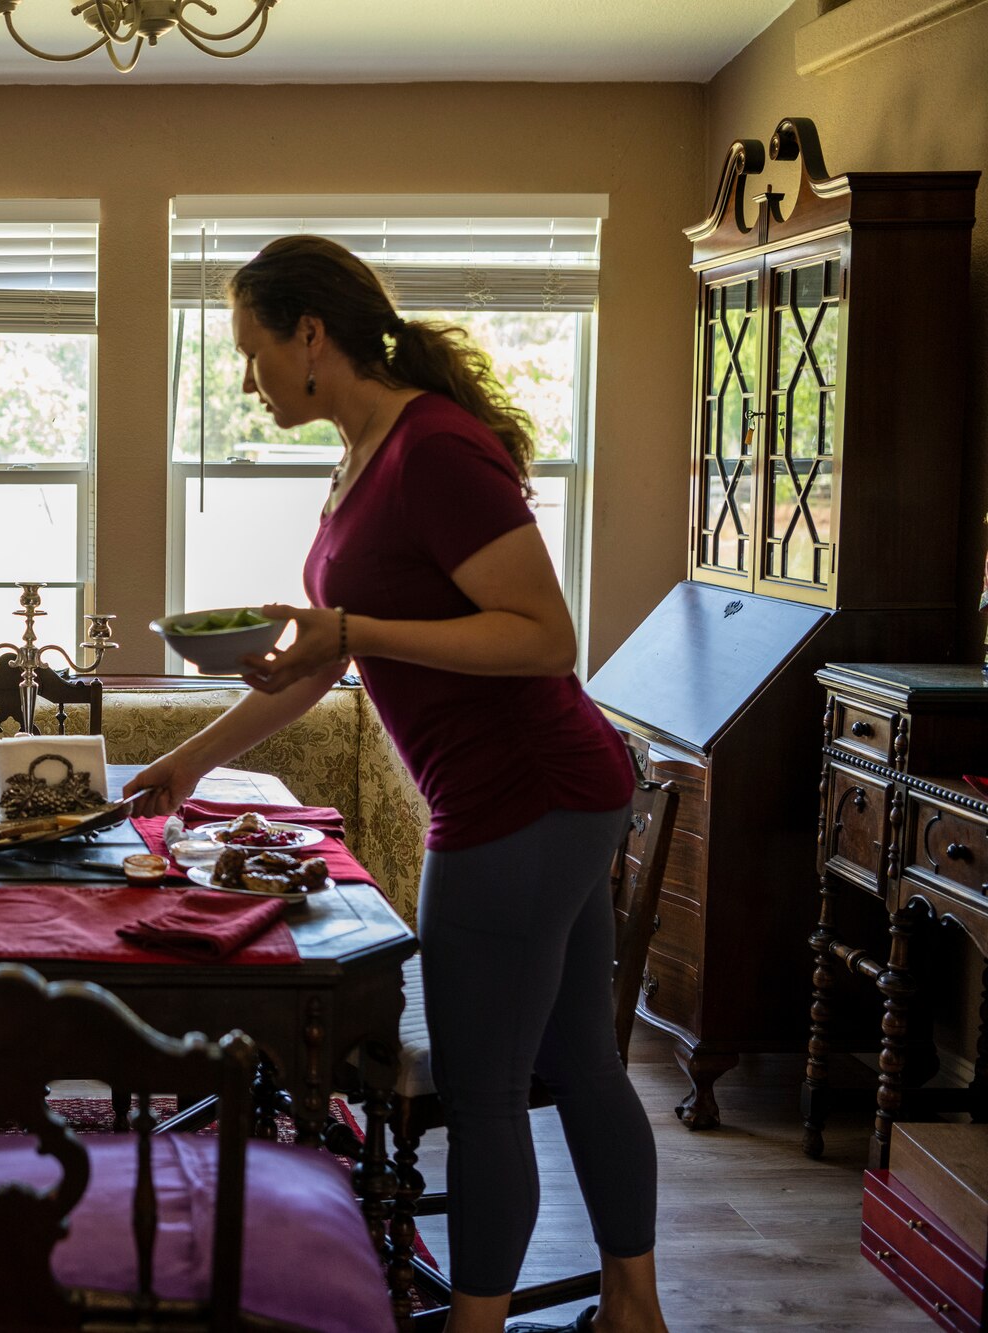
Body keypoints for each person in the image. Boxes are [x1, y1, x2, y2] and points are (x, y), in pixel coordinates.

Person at [124, 237, 669, 1333]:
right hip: (542, 792)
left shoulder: (431, 449)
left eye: (250, 352)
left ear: (310, 336)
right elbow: (330, 660)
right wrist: (188, 760)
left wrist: (351, 625)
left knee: (481, 1090)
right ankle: (633, 1310)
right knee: (573, 1060)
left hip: (520, 796)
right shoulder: (363, 454)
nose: (245, 379)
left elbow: (543, 639)